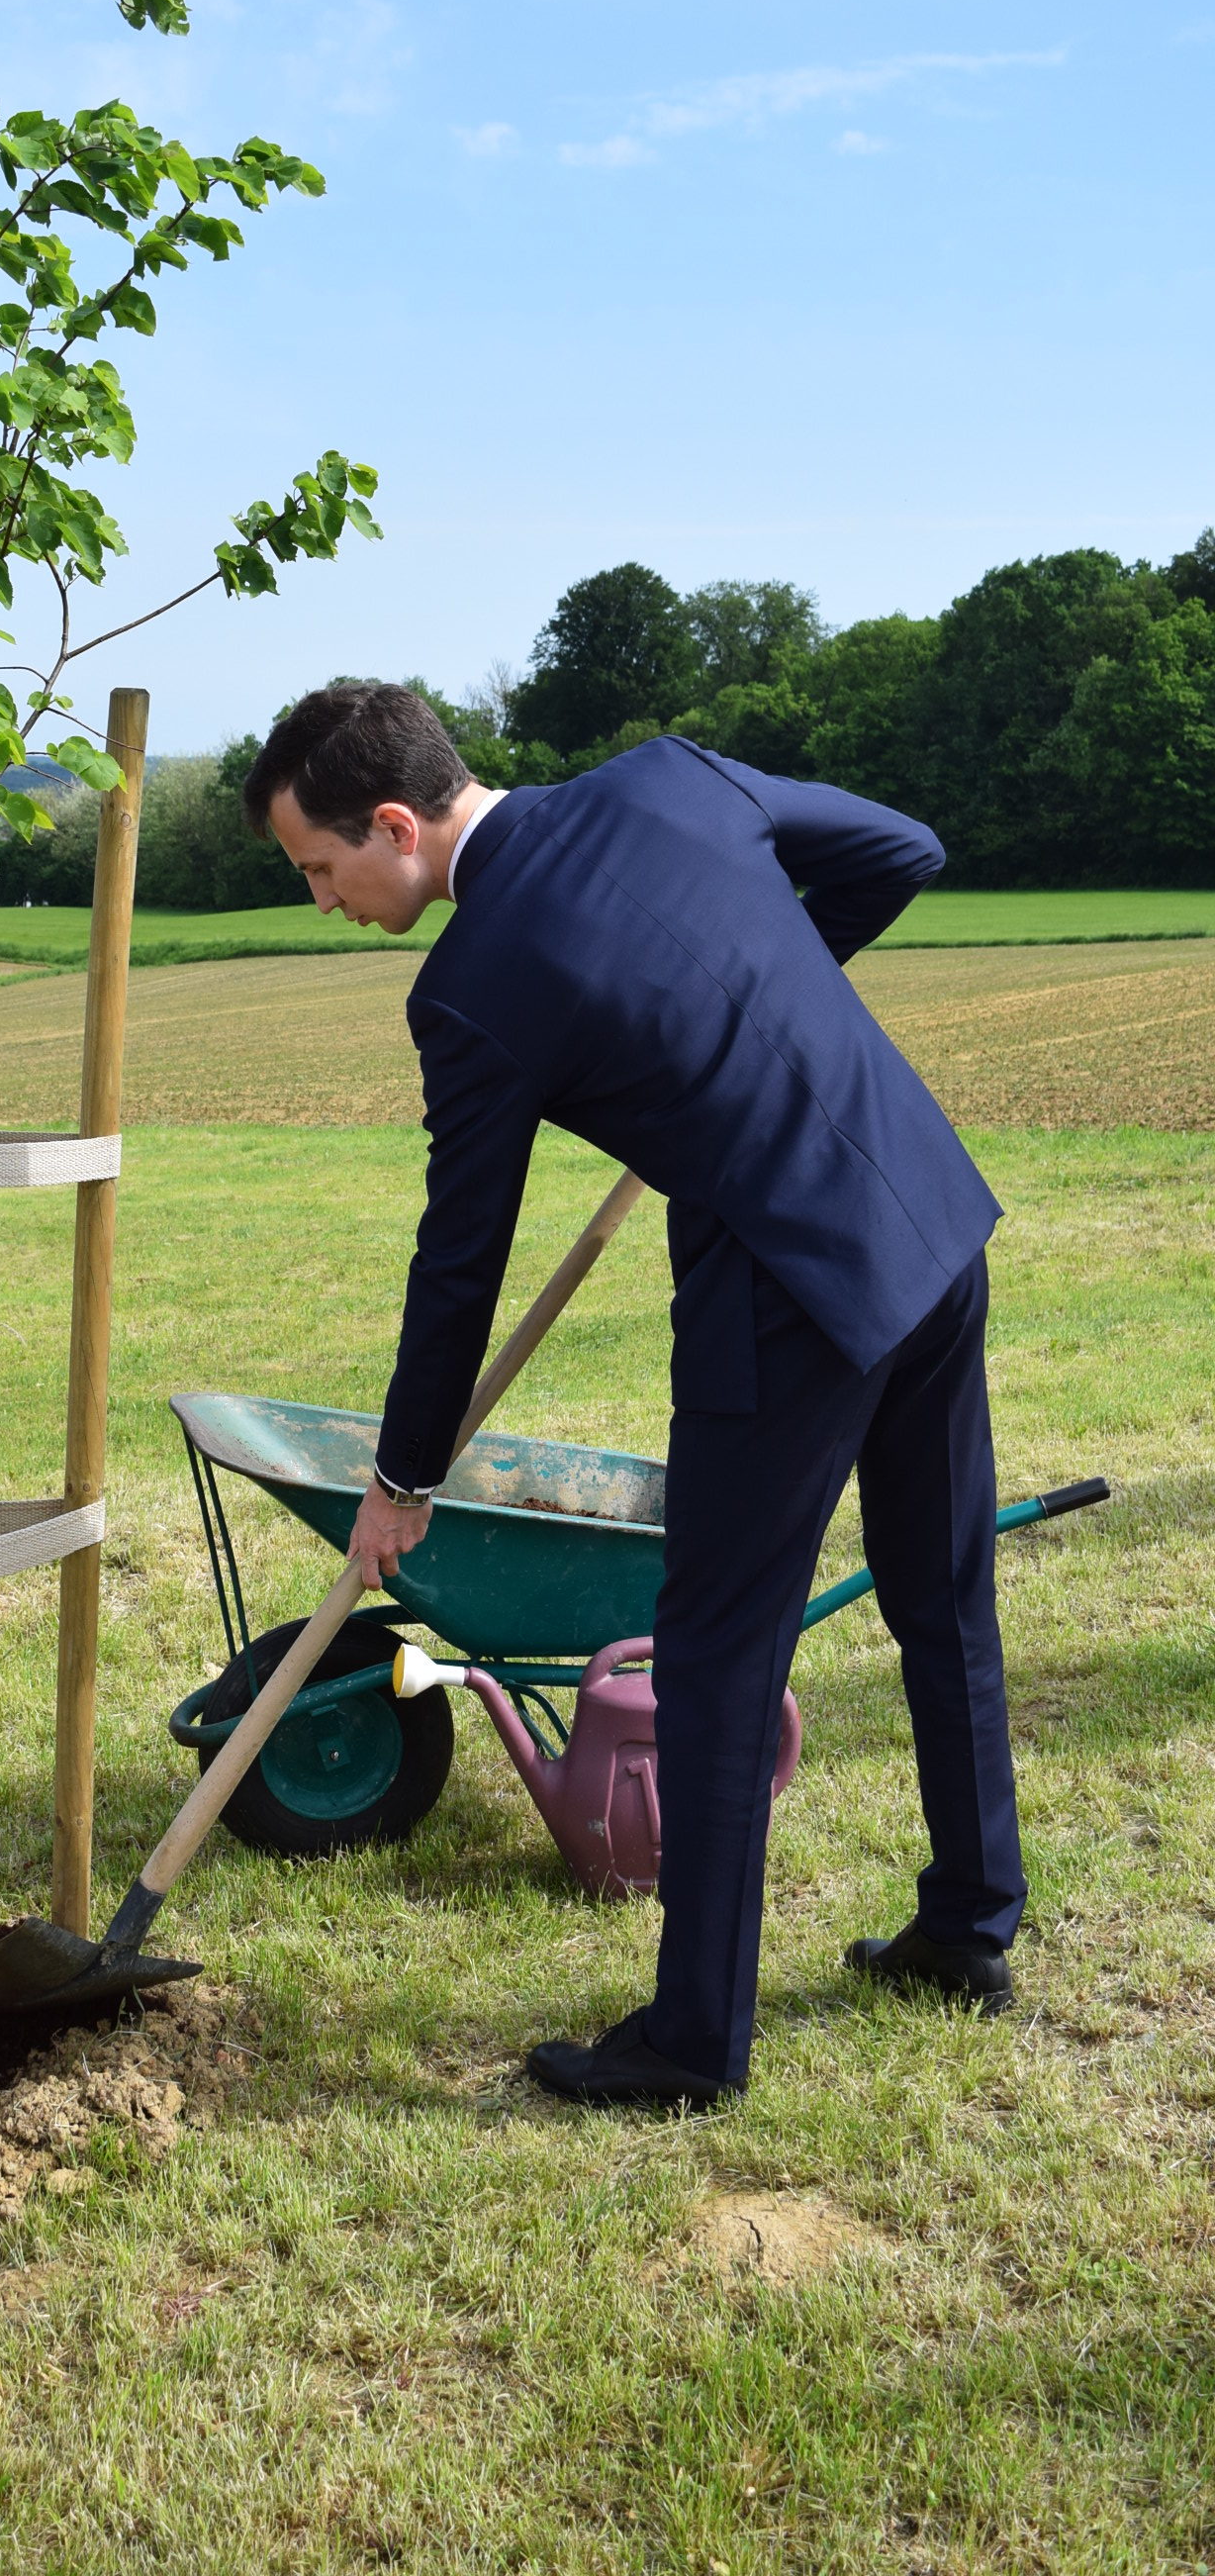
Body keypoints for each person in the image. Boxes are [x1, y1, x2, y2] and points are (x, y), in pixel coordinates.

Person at [241, 683, 1023, 2108]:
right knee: (941, 1598)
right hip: (926, 1215)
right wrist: (741, 1011)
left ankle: (691, 2042)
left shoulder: (470, 988)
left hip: (782, 1295)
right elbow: (901, 848)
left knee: (718, 1660)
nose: (321, 900)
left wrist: (403, 1479)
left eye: (318, 867)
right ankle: (972, 1926)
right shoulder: (669, 778)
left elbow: (458, 1261)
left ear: (398, 826)